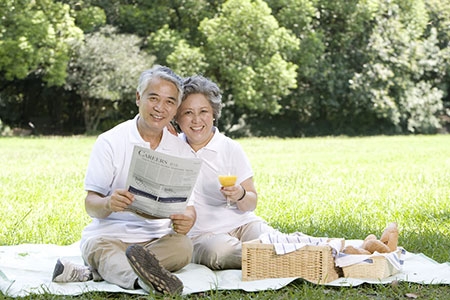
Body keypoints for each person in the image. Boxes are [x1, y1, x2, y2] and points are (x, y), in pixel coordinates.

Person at [52, 65, 196, 295]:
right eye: (153, 98)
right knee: (101, 249)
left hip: (155, 242)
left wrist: (187, 219)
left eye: (170, 101)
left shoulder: (181, 150)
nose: (160, 108)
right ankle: (144, 281)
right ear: (138, 98)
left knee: (184, 246)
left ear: (176, 107)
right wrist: (108, 203)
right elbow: (91, 204)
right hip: (109, 238)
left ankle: (99, 272)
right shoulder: (110, 141)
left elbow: (189, 208)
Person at [174, 75, 280, 270]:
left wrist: (240, 194)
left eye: (203, 111)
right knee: (219, 253)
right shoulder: (171, 149)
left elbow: (251, 202)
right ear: (177, 117)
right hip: (202, 236)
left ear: (213, 113)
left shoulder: (230, 148)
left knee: (268, 236)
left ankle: (295, 250)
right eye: (188, 112)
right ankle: (282, 258)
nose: (196, 120)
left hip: (243, 225)